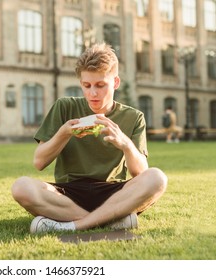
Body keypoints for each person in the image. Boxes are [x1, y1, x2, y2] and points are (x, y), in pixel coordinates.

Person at [11, 42, 167, 234]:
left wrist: (125, 144)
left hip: (113, 193)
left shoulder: (134, 117)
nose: (93, 93)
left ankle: (74, 225)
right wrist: (64, 133)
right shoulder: (64, 107)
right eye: (87, 85)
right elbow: (39, 162)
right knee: (21, 187)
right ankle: (110, 220)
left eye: (101, 85)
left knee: (157, 178)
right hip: (67, 193)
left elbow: (141, 173)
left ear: (115, 83)